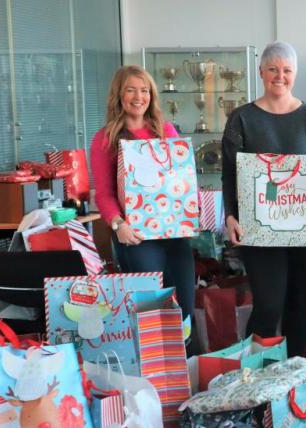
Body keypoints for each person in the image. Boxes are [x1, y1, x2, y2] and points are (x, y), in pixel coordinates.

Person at [221, 41, 306, 357]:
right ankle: (254, 380)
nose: (280, 76)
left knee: (298, 305)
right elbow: (229, 172)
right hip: (259, 231)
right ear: (262, 72)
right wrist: (231, 215)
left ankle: (293, 379)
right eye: (273, 69)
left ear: (295, 74)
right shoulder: (242, 119)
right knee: (268, 305)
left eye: (287, 70)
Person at [90, 65, 196, 319]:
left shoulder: (165, 130)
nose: (139, 97)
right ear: (119, 95)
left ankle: (186, 357)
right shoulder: (105, 139)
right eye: (131, 90)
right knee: (153, 313)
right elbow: (104, 194)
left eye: (144, 90)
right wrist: (118, 225)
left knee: (185, 309)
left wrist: (193, 211)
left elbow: (182, 181)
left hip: (174, 234)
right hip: (136, 237)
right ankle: (153, 359)